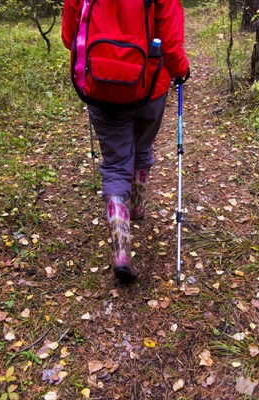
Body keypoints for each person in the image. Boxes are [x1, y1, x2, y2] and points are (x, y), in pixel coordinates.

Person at [62, 0, 190, 283]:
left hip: (100, 84)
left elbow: (69, 36)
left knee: (117, 163)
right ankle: (137, 206)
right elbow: (170, 41)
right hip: (150, 85)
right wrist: (180, 70)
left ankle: (121, 251)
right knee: (142, 145)